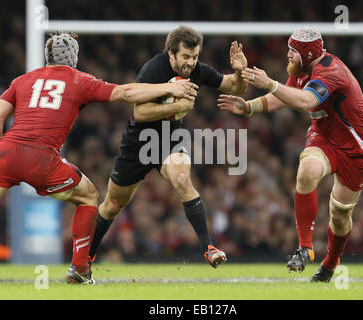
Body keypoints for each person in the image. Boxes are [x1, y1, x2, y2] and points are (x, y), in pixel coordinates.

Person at [0, 31, 198, 284]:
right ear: (74, 57)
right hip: (42, 159)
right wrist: (168, 87)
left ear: (47, 56)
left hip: (6, 154)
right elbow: (126, 94)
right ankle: (79, 269)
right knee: (88, 196)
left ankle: (80, 269)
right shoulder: (78, 80)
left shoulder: (22, 80)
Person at [217, 26, 363, 282]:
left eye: (293, 51)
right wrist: (248, 108)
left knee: (340, 213)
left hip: (356, 149)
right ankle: (305, 248)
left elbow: (305, 101)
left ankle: (330, 264)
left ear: (308, 52)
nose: (288, 55)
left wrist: (269, 83)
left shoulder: (330, 71)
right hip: (324, 138)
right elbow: (285, 97)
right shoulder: (302, 70)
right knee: (307, 170)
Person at [88, 25, 248, 268]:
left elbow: (234, 87)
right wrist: (175, 106)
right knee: (111, 205)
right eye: (185, 56)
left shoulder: (197, 70)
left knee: (182, 179)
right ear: (171, 54)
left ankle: (208, 248)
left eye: (195, 57)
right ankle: (85, 258)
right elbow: (140, 113)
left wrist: (239, 73)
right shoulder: (154, 69)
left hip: (169, 137)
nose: (190, 63)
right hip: (138, 141)